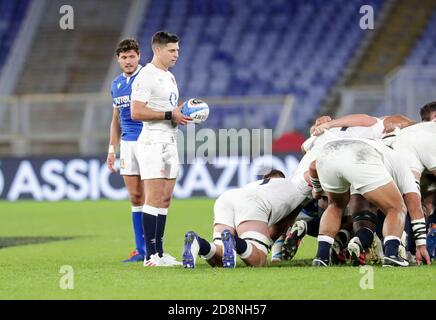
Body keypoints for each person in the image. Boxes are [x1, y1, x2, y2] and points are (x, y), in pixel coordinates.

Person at [130, 31, 191, 267]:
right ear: (157, 50)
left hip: (170, 139)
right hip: (152, 142)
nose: (177, 54)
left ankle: (161, 252)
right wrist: (169, 114)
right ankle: (149, 256)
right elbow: (136, 112)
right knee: (153, 198)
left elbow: (170, 111)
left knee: (165, 199)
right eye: (172, 50)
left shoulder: (169, 77)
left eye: (177, 50)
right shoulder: (146, 76)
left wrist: (181, 114)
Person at [309, 138, 410, 267]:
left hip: (327, 154)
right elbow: (414, 203)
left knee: (335, 205)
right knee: (396, 207)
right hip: (359, 156)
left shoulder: (364, 139)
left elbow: (312, 166)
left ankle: (321, 257)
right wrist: (420, 244)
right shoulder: (398, 158)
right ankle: (391, 255)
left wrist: (317, 190)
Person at [181, 169, 312, 268]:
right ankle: (234, 241)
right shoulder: (290, 186)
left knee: (220, 255)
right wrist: (269, 249)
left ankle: (198, 243)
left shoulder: (255, 184)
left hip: (227, 197)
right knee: (259, 260)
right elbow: (280, 227)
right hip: (253, 202)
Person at [107, 38, 145, 262]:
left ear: (138, 56)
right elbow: (116, 120)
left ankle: (153, 249)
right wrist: (112, 149)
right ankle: (140, 250)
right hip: (128, 144)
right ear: (118, 59)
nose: (128, 61)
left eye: (132, 56)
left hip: (149, 141)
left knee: (152, 197)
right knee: (135, 196)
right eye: (124, 57)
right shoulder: (116, 84)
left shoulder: (148, 78)